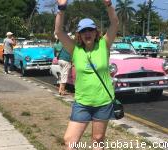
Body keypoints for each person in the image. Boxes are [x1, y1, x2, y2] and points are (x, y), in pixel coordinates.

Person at [55, 0, 119, 149]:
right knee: (69, 140)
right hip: (82, 103)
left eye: (90, 30)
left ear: (96, 32)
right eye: (83, 31)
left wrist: (108, 5)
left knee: (97, 139)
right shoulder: (74, 49)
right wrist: (61, 8)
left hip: (103, 102)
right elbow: (58, 31)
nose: (87, 33)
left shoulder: (104, 44)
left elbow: (114, 24)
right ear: (79, 34)